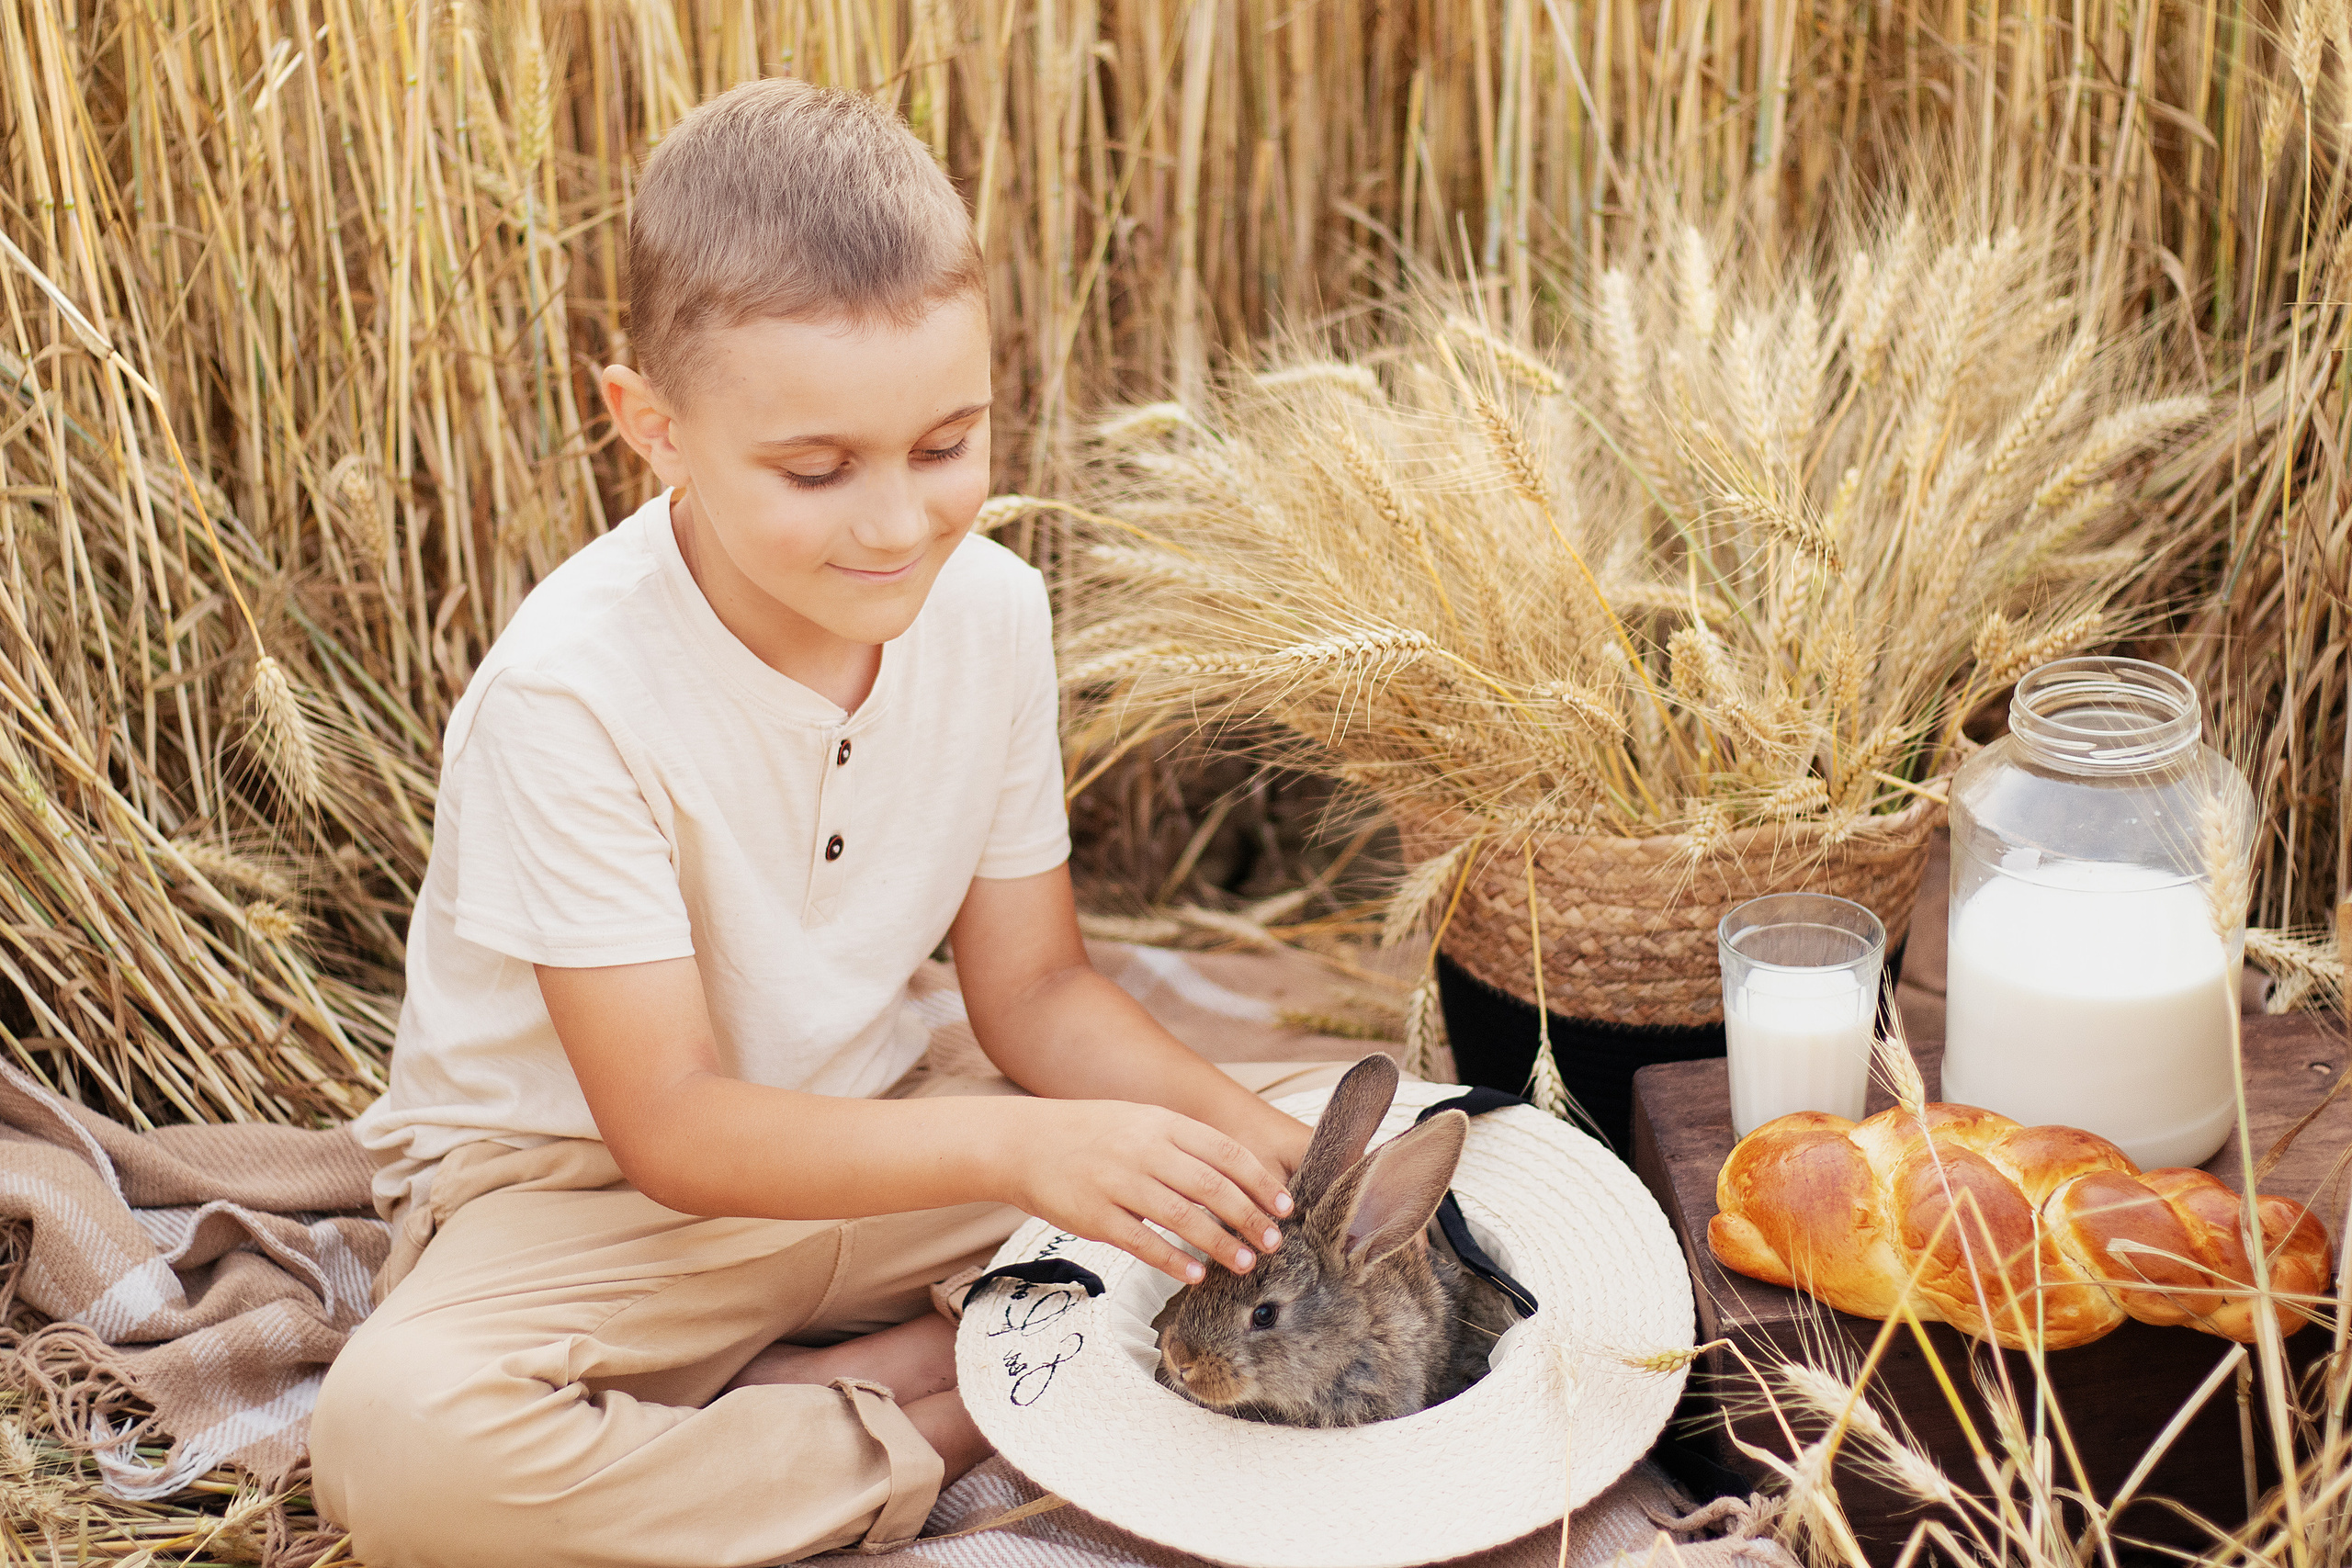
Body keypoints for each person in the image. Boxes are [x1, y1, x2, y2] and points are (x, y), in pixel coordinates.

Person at [310, 78, 1347, 1568]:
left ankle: (791, 1407)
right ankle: (945, 1415)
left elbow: (1037, 991)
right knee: (401, 1451)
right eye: (815, 471)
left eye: (946, 446)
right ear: (650, 426)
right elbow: (669, 1125)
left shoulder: (992, 610)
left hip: (887, 1139)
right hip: (592, 1198)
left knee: (1287, 1150)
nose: (897, 525)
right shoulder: (569, 692)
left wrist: (1271, 1172)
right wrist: (1037, 1158)